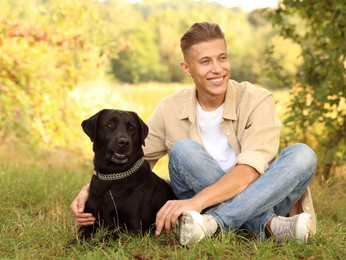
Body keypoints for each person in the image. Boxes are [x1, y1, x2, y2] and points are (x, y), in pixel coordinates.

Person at [71, 22, 317, 246]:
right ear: (186, 68)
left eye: (222, 58)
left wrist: (194, 205)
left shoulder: (257, 100)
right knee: (183, 151)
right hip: (199, 201)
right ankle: (272, 225)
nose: (217, 69)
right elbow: (134, 159)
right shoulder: (169, 108)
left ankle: (214, 223)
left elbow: (249, 173)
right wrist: (92, 188)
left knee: (303, 154)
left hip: (241, 201)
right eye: (206, 61)